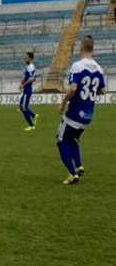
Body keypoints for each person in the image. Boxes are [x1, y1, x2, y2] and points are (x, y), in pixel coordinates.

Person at [56, 35, 105, 185]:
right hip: (88, 115)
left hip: (75, 113)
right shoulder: (98, 68)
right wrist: (89, 91)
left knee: (61, 141)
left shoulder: (77, 66)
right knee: (73, 139)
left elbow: (72, 89)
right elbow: (102, 91)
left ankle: (72, 174)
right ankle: (79, 166)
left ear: (82, 48)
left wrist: (63, 103)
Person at [20, 52, 39, 131]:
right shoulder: (28, 67)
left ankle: (31, 125)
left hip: (27, 90)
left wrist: (23, 85)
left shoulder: (31, 67)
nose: (25, 59)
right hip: (26, 89)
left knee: (23, 107)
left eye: (27, 58)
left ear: (30, 58)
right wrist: (22, 82)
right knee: (23, 107)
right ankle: (34, 116)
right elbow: (27, 77)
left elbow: (31, 79)